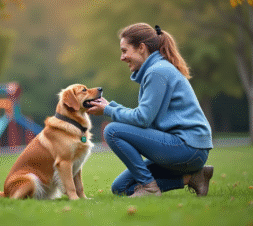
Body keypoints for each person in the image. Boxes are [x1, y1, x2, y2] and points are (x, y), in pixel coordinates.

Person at [87, 23, 214, 197]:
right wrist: (110, 107)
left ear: (141, 48)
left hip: (187, 148)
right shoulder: (157, 70)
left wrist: (109, 111)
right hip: (187, 150)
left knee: (112, 131)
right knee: (121, 188)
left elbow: (142, 119)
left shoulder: (157, 72)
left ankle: (148, 187)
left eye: (125, 51)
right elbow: (145, 117)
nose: (122, 57)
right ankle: (193, 178)